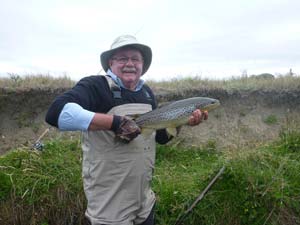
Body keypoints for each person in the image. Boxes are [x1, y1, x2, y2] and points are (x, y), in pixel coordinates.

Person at [45, 35, 208, 225]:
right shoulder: (95, 86)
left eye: (135, 59)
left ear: (142, 64)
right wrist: (114, 123)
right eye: (123, 58)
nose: (130, 63)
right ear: (110, 63)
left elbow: (161, 138)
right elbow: (56, 113)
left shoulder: (146, 93)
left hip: (144, 202)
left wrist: (181, 122)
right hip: (109, 207)